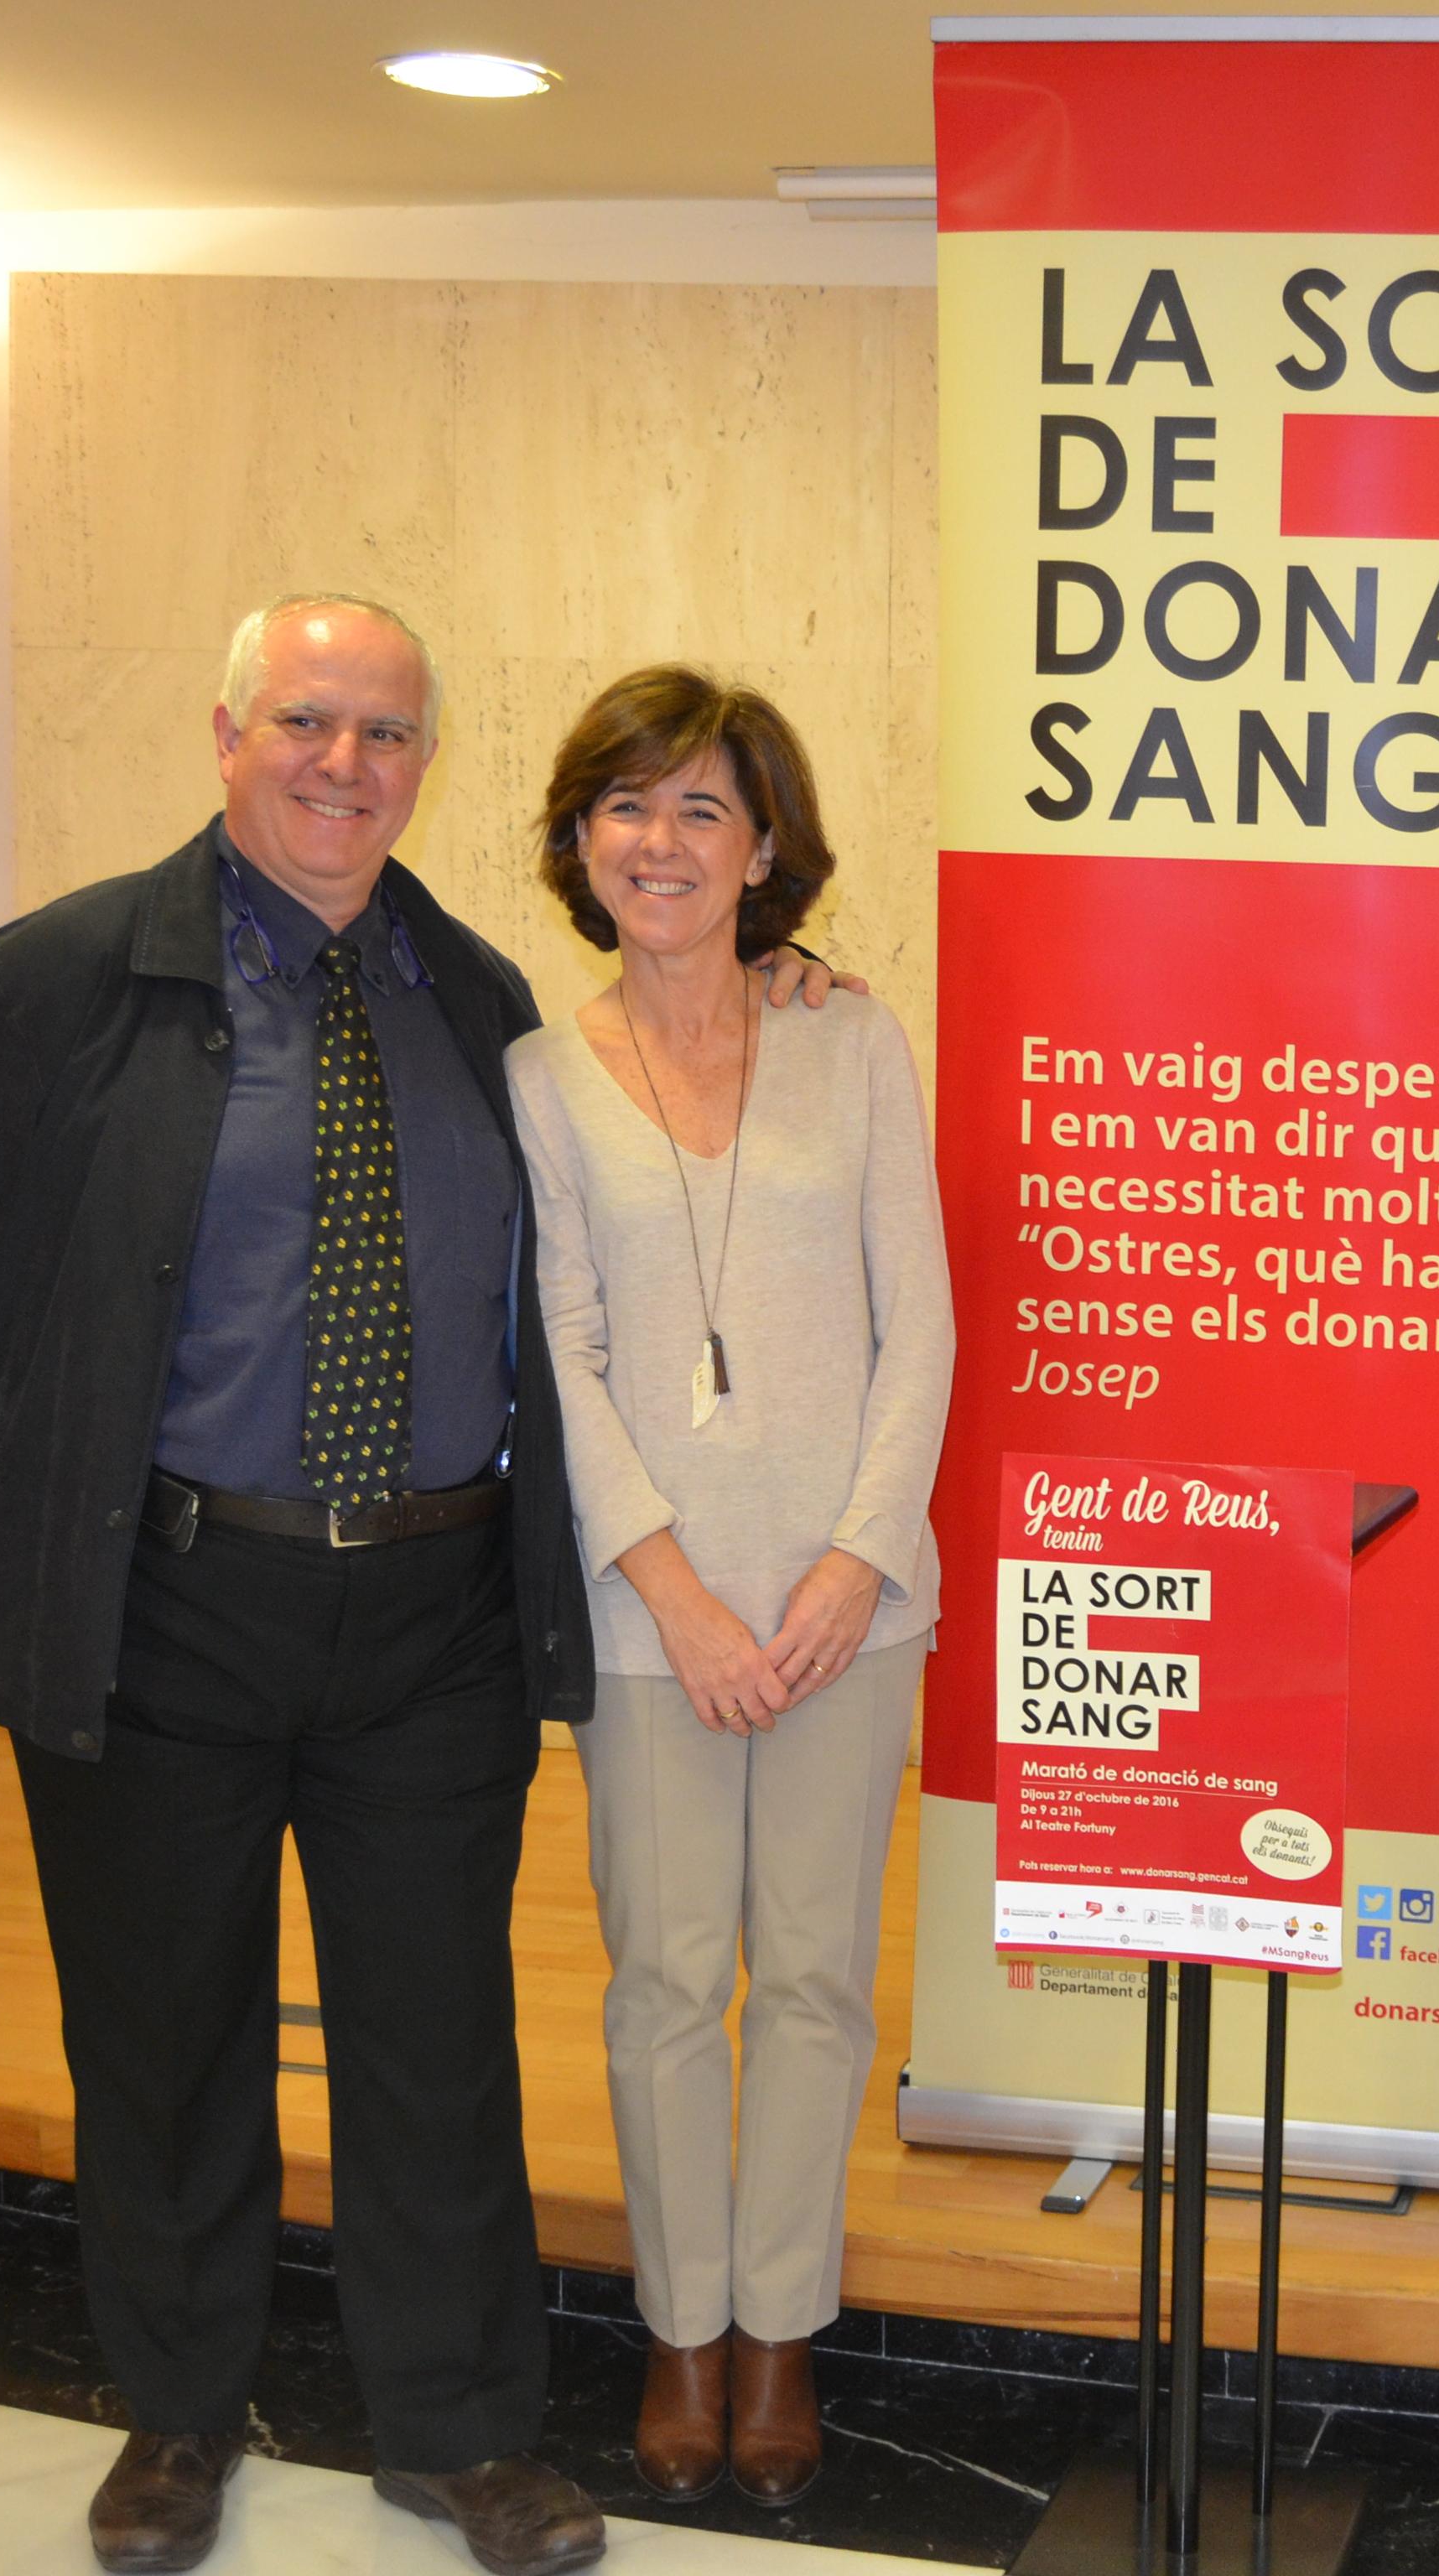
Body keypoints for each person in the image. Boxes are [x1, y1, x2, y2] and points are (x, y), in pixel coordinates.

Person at [0, 595, 835, 2576]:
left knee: (435, 2045)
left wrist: (777, 970)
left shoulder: (477, 997)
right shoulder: (55, 981)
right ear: (227, 735)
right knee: (164, 2034)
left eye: (385, 732)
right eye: (306, 720)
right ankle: (177, 2416)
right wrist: (68, 1498)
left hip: (429, 1618)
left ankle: (458, 2433)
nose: (344, 763)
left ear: (426, 764)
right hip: (165, 1602)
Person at [505, 666, 953, 2507]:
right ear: (580, 840)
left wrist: (856, 1560)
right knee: (669, 1981)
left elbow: (919, 1322)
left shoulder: (854, 1040)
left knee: (821, 1980)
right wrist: (679, 1597)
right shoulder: (540, 1077)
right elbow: (563, 1354)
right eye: (628, 805)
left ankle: (782, 2331)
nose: (662, 842)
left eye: (704, 809)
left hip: (851, 1605)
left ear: (765, 850)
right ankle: (682, 2331)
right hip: (651, 1619)